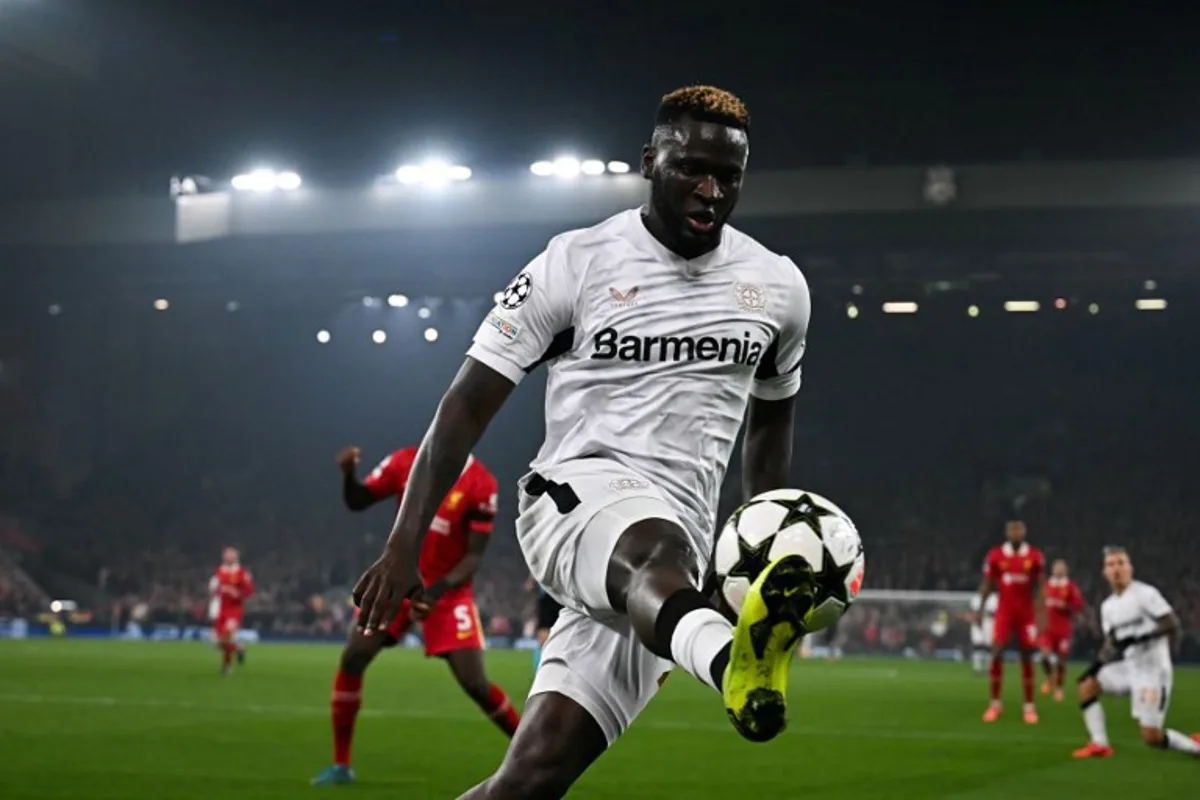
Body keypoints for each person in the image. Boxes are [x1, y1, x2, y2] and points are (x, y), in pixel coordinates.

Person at [352, 84, 817, 798]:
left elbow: (772, 419)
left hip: (671, 570)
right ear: (649, 162)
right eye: (693, 167)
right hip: (574, 499)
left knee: (529, 781)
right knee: (652, 547)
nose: (710, 189)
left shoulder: (778, 287)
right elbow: (465, 406)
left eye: (728, 177)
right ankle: (734, 663)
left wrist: (759, 547)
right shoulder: (574, 264)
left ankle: (716, 638)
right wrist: (402, 544)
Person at [311, 446, 520, 787]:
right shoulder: (406, 461)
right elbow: (358, 500)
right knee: (354, 656)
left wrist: (434, 591)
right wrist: (349, 475)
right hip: (400, 580)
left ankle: (532, 756)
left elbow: (473, 557)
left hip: (447, 592)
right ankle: (341, 766)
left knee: (476, 684)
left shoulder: (482, 483)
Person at [1073, 546, 1198, 759]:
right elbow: (1112, 642)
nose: (1116, 569)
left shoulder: (1145, 594)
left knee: (1151, 737)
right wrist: (1095, 667)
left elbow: (1172, 624)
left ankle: (1196, 749)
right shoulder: (1108, 607)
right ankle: (1100, 744)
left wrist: (1139, 638)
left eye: (1121, 563)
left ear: (1130, 568)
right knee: (1087, 687)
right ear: (1105, 573)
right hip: (1129, 668)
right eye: (1111, 565)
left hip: (1153, 671)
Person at [976, 519, 1046, 724]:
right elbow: (988, 584)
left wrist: (1042, 614)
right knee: (996, 653)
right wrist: (980, 609)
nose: (1016, 533)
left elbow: (1041, 586)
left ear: (1024, 532)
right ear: (1007, 533)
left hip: (1026, 614)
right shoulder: (996, 555)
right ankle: (995, 704)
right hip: (1004, 612)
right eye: (1012, 530)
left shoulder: (1034, 555)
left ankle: (1029, 707)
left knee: (1027, 656)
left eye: (1019, 529)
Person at [1039, 558, 1084, 700]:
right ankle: (1050, 678)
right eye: (1056, 567)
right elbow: (1040, 605)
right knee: (1044, 657)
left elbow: (1078, 605)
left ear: (1065, 570)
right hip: (1048, 628)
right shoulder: (1046, 586)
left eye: (1061, 567)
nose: (1059, 570)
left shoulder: (1070, 587)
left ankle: (1059, 688)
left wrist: (1065, 607)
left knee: (1061, 660)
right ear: (1052, 570)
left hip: (1064, 629)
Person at [210, 546, 254, 675]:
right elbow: (215, 589)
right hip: (221, 609)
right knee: (218, 642)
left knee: (227, 636)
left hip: (235, 610)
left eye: (231, 554)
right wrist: (219, 591)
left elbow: (249, 591)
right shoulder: (219, 571)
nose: (228, 556)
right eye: (226, 554)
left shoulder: (242, 573)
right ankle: (239, 648)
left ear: (236, 557)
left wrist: (237, 593)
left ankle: (227, 667)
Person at [525, 576, 562, 671]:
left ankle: (541, 669)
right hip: (553, 599)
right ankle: (542, 668)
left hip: (552, 599)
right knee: (546, 640)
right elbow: (530, 586)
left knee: (546, 640)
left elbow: (529, 586)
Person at [967, 592, 999, 675]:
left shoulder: (994, 597)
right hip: (977, 623)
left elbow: (996, 612)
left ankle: (989, 668)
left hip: (989, 623)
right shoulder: (976, 597)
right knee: (977, 645)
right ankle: (977, 668)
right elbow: (972, 611)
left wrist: (984, 614)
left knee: (989, 646)